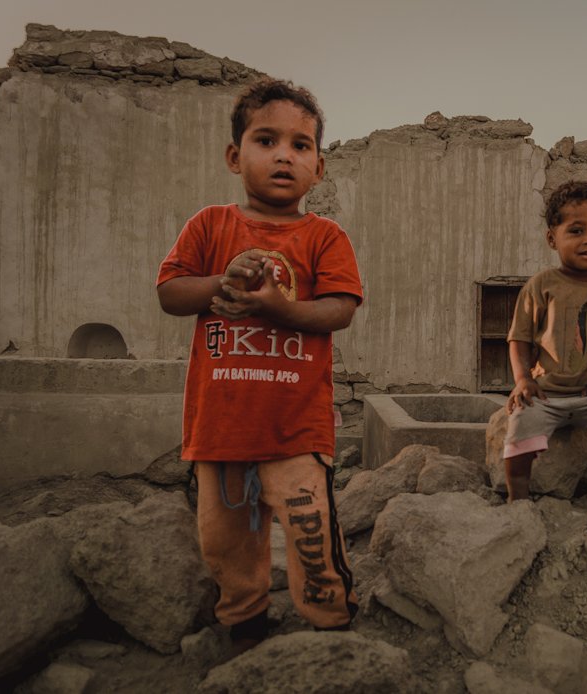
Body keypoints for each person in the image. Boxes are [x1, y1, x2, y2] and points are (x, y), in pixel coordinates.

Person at [156, 79, 362, 652]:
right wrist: (221, 281)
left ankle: (331, 632)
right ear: (234, 155)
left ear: (318, 169)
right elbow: (171, 293)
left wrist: (278, 306)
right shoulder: (209, 227)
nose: (283, 155)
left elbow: (340, 309)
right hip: (220, 431)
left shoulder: (325, 236)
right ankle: (245, 626)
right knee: (227, 542)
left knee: (311, 535)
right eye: (266, 139)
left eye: (301, 146)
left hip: (297, 429)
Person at [504, 180, 587, 511]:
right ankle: (517, 499)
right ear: (553, 238)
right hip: (546, 394)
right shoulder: (542, 285)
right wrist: (523, 380)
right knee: (519, 425)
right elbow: (519, 338)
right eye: (576, 230)